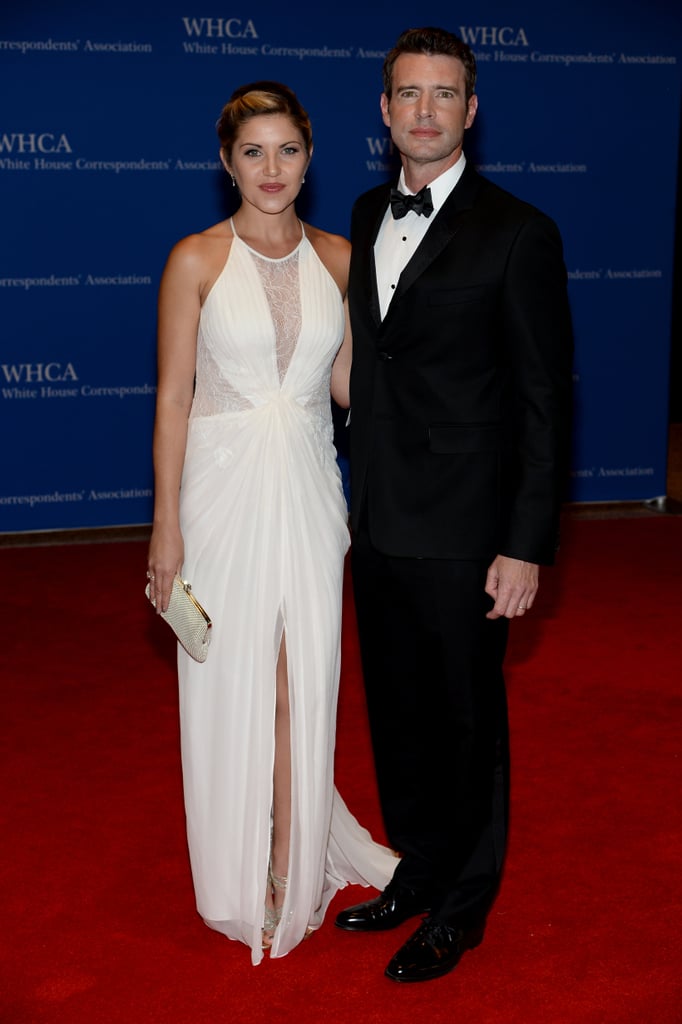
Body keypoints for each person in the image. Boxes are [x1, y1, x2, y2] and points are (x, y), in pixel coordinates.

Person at [334, 27, 574, 983]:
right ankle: (417, 871)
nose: (425, 111)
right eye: (408, 94)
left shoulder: (520, 229)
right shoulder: (360, 211)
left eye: (444, 95)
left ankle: (463, 909)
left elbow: (545, 400)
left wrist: (525, 546)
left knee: (468, 723)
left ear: (470, 111)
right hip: (379, 516)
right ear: (384, 110)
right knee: (396, 714)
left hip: (471, 529)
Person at [146, 80, 397, 966]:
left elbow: (351, 393)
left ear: (311, 154)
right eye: (253, 152)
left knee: (303, 679)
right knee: (235, 680)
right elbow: (173, 399)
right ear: (226, 163)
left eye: (287, 150)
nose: (272, 169)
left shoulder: (338, 255)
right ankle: (239, 862)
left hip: (307, 489)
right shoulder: (197, 260)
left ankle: (292, 855)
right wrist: (164, 528)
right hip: (220, 494)